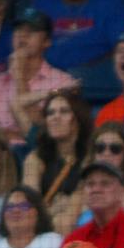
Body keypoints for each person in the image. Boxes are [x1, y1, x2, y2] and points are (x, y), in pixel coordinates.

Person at [0, 8, 77, 143]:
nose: (22, 35)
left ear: (47, 41)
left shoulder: (62, 82)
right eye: (18, 30)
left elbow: (42, 134)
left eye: (31, 31)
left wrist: (20, 78)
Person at [21, 89, 95, 234]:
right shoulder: (35, 158)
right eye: (50, 113)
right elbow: (28, 210)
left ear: (78, 118)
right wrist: (53, 209)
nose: (56, 117)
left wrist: (45, 210)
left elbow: (69, 221)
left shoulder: (91, 157)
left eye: (64, 111)